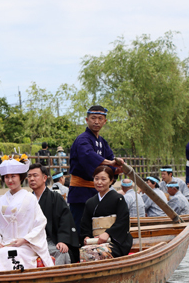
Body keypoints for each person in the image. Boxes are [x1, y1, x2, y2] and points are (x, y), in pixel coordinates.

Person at [0, 156, 53, 271]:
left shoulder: (29, 198)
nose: (10, 180)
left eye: (13, 176)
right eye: (7, 177)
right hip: (6, 244)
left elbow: (40, 223)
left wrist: (25, 239)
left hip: (26, 245)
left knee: (13, 253)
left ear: (20, 177)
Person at [68, 106, 124, 235]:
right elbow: (87, 155)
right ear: (87, 120)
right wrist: (110, 163)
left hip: (97, 191)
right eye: (93, 118)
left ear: (105, 122)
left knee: (98, 226)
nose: (96, 121)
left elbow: (111, 160)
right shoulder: (82, 139)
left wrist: (116, 170)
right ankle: (78, 254)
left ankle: (98, 252)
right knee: (81, 227)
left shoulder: (102, 142)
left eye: (100, 118)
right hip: (81, 192)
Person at [28, 163, 79, 265]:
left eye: (35, 175)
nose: (32, 179)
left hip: (50, 240)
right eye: (29, 176)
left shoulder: (55, 198)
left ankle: (56, 279)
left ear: (44, 178)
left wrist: (62, 240)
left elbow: (65, 220)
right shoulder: (26, 200)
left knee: (61, 252)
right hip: (29, 242)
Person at [80, 166, 133, 258]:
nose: (99, 182)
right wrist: (86, 237)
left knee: (99, 252)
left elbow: (123, 221)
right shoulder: (90, 202)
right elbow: (85, 225)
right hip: (94, 241)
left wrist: (108, 233)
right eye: (96, 179)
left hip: (114, 241)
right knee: (84, 251)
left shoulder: (118, 198)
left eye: (103, 179)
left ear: (111, 181)